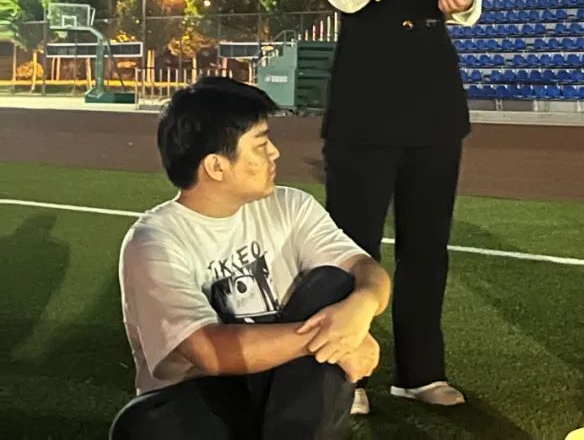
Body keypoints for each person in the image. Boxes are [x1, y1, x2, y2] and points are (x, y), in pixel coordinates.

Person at [314, 0, 481, 412]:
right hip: (368, 91)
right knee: (353, 244)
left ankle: (420, 371)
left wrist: (461, 1)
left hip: (434, 89)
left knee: (427, 246)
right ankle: (345, 376)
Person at [110, 77, 390, 440]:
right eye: (260, 144)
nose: (274, 153)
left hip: (286, 383)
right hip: (205, 396)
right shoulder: (154, 241)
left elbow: (364, 269)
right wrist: (336, 338)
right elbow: (209, 352)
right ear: (216, 166)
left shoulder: (290, 206)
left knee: (335, 283)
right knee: (145, 425)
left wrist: (362, 306)